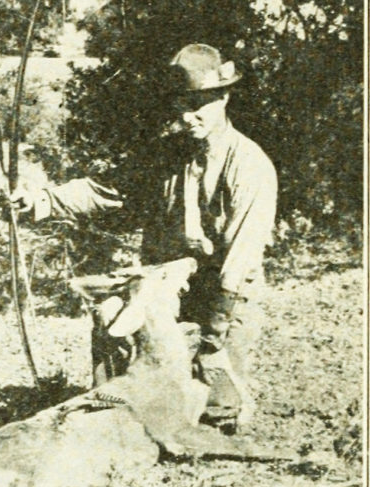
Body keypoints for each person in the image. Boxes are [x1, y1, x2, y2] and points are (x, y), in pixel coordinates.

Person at [17, 43, 277, 431]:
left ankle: (210, 396)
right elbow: (106, 192)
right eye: (181, 104)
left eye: (199, 104)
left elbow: (238, 267)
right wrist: (40, 200)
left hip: (224, 296)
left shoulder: (249, 165)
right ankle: (111, 413)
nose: (188, 116)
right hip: (167, 283)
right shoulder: (165, 154)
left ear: (224, 97)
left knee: (216, 415)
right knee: (111, 318)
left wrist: (212, 340)